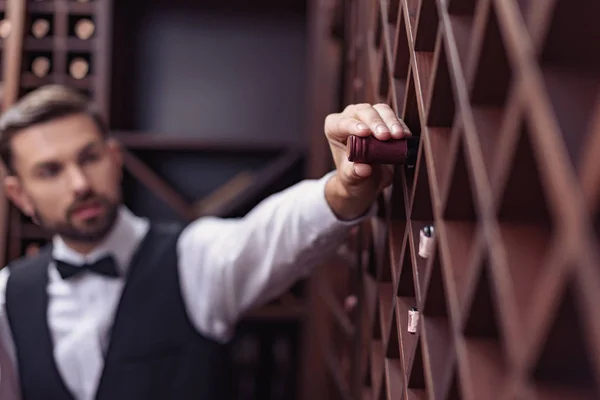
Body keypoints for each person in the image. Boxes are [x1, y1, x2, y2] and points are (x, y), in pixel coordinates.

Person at [0, 85, 410, 400]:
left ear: (114, 158)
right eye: (50, 171)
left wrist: (345, 188)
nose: (80, 185)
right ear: (19, 195)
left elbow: (275, 232)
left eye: (89, 158)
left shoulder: (192, 258)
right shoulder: (5, 297)